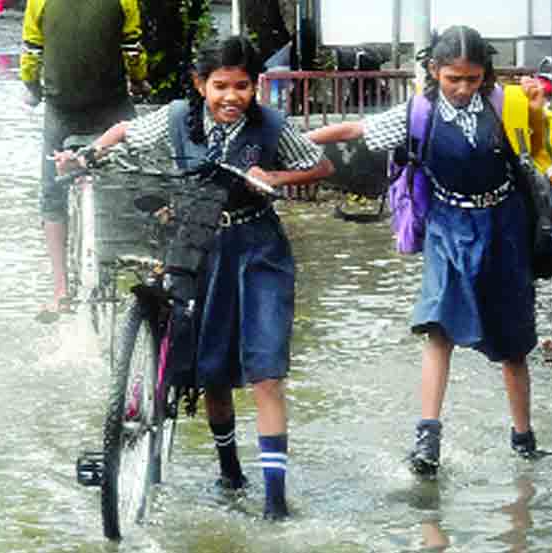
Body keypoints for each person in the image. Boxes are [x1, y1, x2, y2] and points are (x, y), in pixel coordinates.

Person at [56, 36, 334, 519]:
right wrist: (86, 155)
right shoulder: (175, 120)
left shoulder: (271, 125)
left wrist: (275, 177)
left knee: (267, 373)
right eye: (220, 86)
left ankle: (274, 501)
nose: (232, 97)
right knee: (213, 374)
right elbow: (124, 132)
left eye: (243, 86)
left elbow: (321, 164)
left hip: (259, 250)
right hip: (198, 248)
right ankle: (229, 471)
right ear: (200, 84)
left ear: (255, 86)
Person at [307, 26, 551, 477]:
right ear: (434, 71)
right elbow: (360, 129)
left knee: (513, 339)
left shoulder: (507, 104)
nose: (461, 88)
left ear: (486, 75)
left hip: (505, 227)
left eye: (472, 79)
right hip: (447, 226)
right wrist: (304, 141)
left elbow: (538, 148)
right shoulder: (417, 112)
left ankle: (524, 438)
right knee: (438, 324)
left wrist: (536, 113)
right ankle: (427, 438)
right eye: (452, 78)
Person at [20, 0, 149, 314]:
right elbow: (133, 50)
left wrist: (32, 88)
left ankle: (60, 291)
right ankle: (145, 273)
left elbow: (31, 53)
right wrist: (138, 80)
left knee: (52, 196)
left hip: (62, 111)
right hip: (112, 106)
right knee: (138, 177)